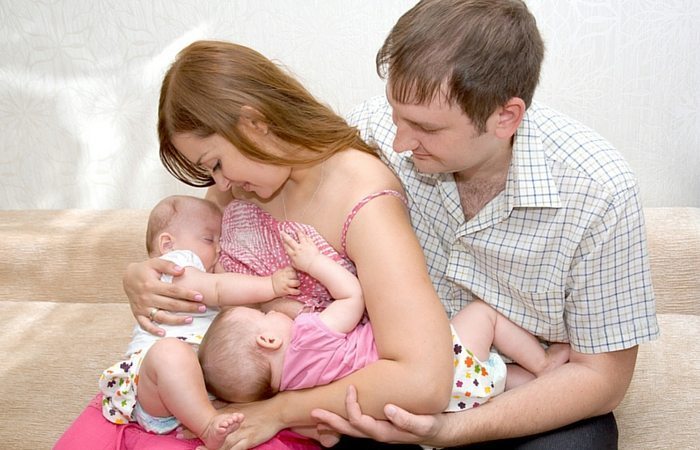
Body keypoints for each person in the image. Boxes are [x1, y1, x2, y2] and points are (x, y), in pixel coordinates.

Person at [56, 39, 454, 450]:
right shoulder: (236, 190)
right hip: (193, 396)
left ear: (254, 123)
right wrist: (142, 274)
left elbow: (423, 381)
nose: (220, 183)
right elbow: (194, 267)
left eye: (215, 163)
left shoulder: (363, 199)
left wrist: (278, 411)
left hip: (278, 417)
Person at [309, 1, 659, 449]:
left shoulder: (599, 191)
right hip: (392, 372)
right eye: (396, 114)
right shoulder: (371, 134)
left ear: (505, 117)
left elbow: (601, 378)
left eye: (425, 128)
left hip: (514, 393)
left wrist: (449, 429)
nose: (398, 141)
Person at [199, 230, 569, 413]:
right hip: (442, 368)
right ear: (268, 342)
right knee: (483, 315)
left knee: (498, 381)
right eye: (263, 317)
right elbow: (352, 296)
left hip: (445, 407)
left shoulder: (295, 391)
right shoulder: (309, 336)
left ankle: (534, 382)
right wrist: (312, 263)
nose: (273, 313)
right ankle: (544, 363)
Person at [98, 194, 301, 449]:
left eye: (220, 241)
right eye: (209, 239)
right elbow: (217, 289)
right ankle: (207, 426)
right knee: (169, 353)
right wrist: (269, 285)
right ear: (167, 243)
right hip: (155, 387)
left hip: (199, 387)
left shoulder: (206, 268)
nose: (218, 249)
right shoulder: (172, 266)